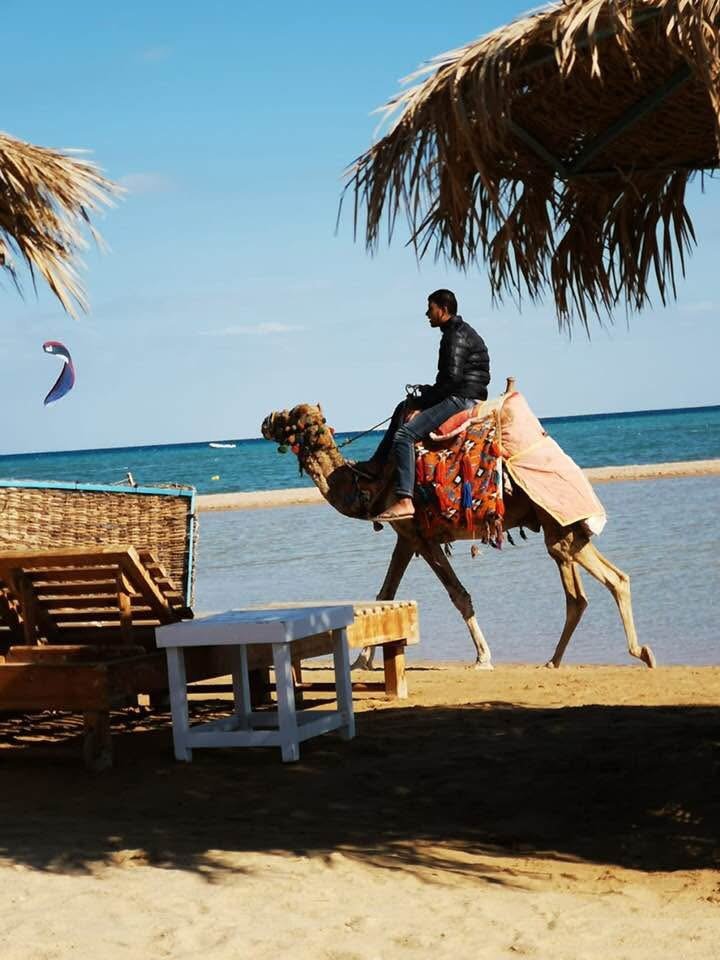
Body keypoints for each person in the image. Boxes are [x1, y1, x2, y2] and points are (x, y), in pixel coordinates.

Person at [356, 289, 491, 521]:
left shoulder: (455, 336)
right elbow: (449, 378)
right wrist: (422, 397)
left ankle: (405, 499)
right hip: (462, 391)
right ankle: (377, 464)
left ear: (443, 309)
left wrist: (424, 403)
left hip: (462, 397)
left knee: (404, 435)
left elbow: (452, 380)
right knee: (403, 408)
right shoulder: (456, 331)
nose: (427, 314)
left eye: (431, 309)